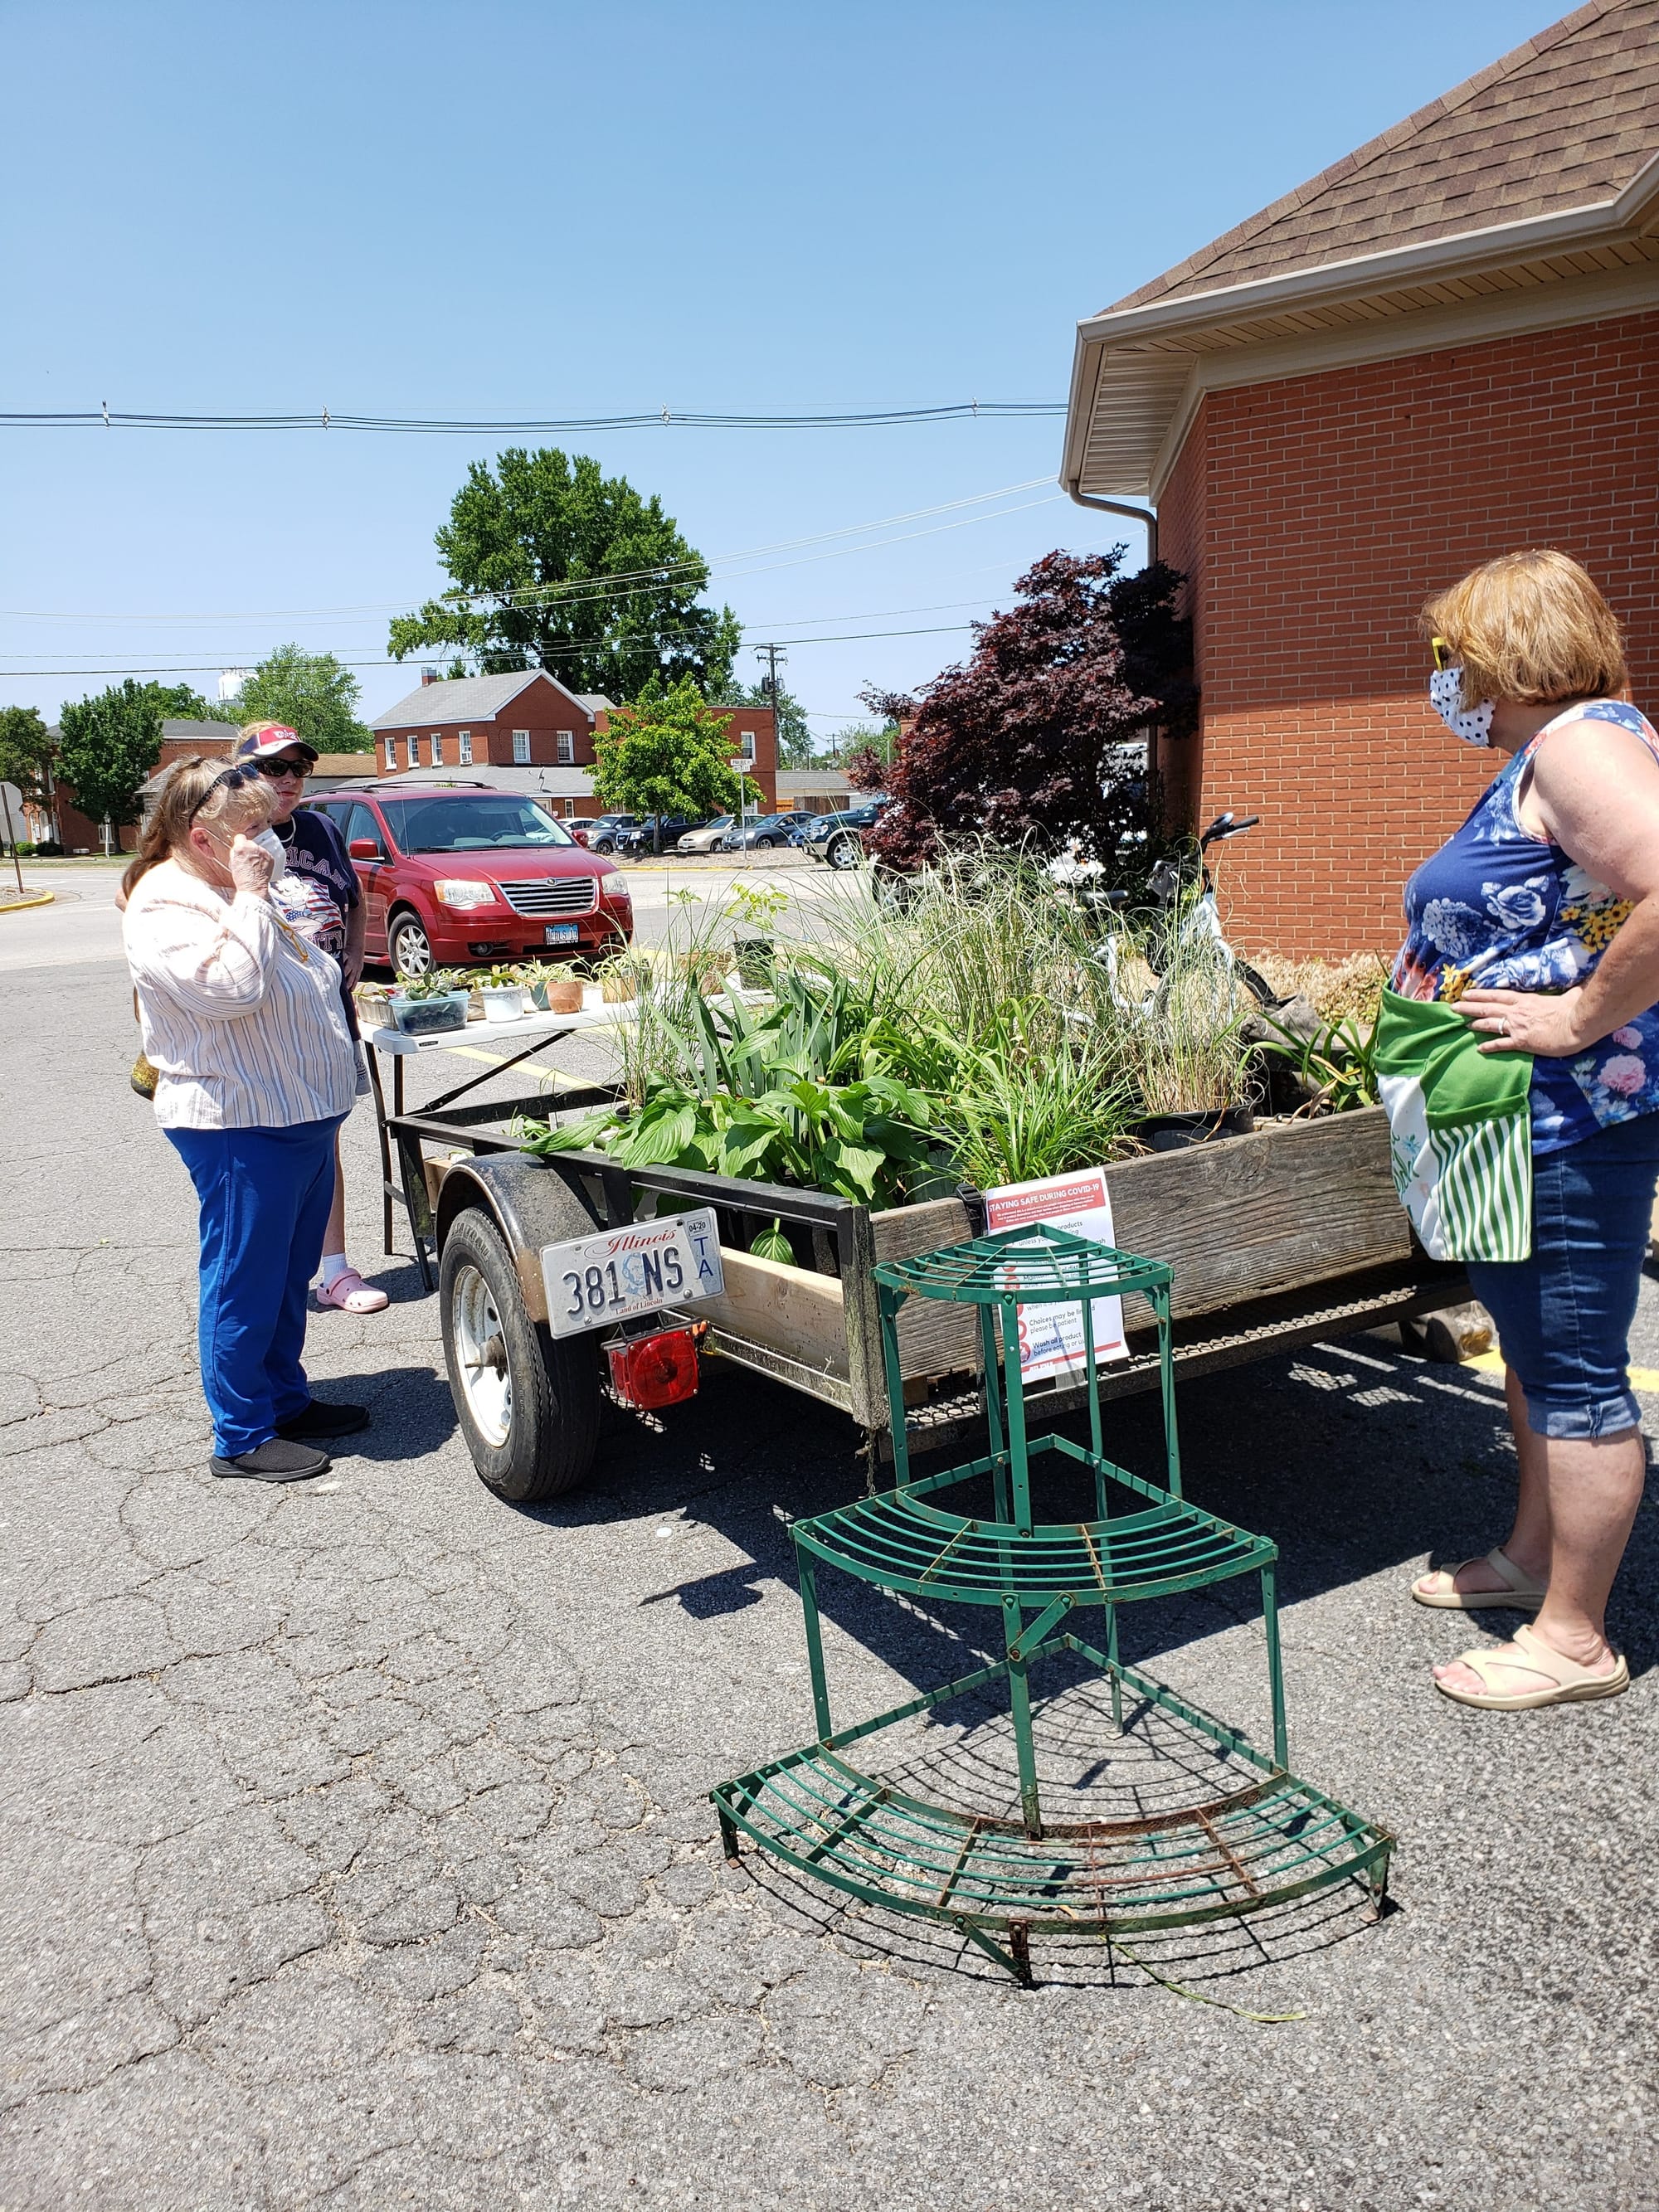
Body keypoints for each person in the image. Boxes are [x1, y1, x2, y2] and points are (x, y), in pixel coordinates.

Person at [1392, 549, 1659, 1709]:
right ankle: (1533, 1558)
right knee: (1535, 1352)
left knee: (1576, 1370)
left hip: (1568, 1119)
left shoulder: (1579, 743)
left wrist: (1578, 1016)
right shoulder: (1558, 750)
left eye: (1452, 655)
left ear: (1503, 649)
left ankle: (1575, 1639)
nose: (1445, 679)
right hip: (1514, 1123)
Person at [121, 756, 370, 1481]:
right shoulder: (166, 902)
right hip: (238, 1121)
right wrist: (257, 895)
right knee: (244, 1278)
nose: (272, 838)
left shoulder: (228, 884)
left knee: (288, 1274)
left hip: (296, 1114)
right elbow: (232, 988)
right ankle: (241, 1433)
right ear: (204, 838)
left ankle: (283, 1399)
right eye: (254, 827)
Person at [231, 721, 389, 1315]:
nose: (290, 779)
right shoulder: (223, 835)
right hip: (258, 1028)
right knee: (264, 1153)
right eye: (275, 767)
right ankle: (271, 1280)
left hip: (327, 1020)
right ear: (241, 772)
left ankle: (333, 1271)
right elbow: (138, 888)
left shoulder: (321, 828)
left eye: (298, 767)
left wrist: (353, 956)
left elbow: (355, 898)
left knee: (325, 1141)